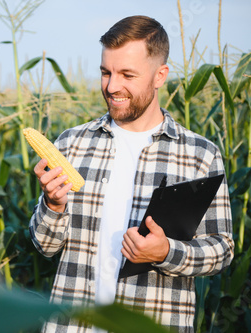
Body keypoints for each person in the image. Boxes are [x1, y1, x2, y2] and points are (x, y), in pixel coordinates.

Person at [29, 15, 234, 333]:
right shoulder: (71, 143)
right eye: (105, 72)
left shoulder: (200, 154)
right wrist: (53, 205)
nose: (112, 86)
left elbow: (222, 249)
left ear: (159, 76)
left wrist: (167, 251)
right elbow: (45, 246)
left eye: (127, 74)